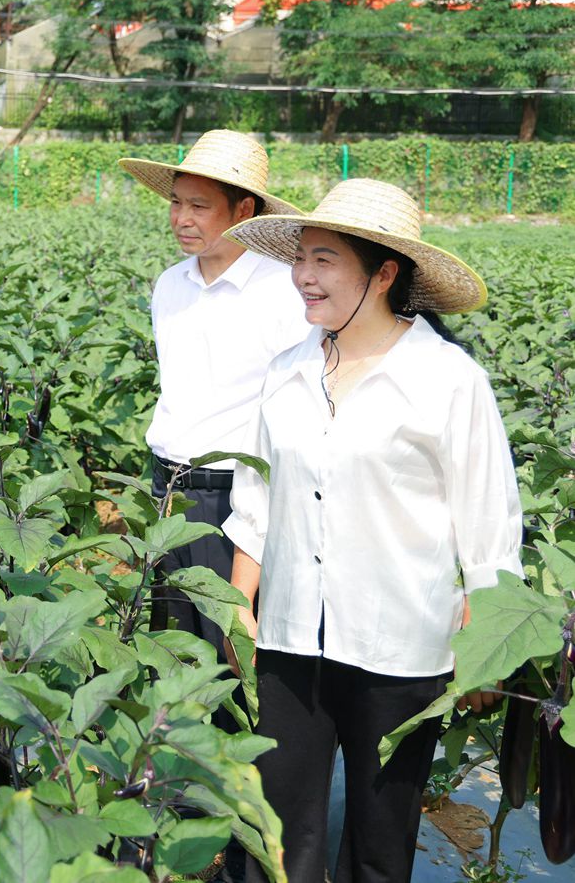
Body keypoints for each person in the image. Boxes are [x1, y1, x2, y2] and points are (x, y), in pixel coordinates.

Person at [222, 178, 523, 883]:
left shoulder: (448, 381)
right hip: (292, 636)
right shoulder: (287, 371)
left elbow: (489, 524)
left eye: (324, 259)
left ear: (384, 272)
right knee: (275, 829)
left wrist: (485, 652)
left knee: (380, 842)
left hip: (400, 646)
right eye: (300, 258)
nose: (303, 276)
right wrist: (240, 607)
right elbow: (256, 496)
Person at [118, 131, 306, 668]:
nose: (182, 218)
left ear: (244, 210)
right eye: (177, 202)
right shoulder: (169, 284)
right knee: (173, 652)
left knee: (235, 657)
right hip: (167, 489)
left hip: (235, 500)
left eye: (200, 206)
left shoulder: (283, 293)